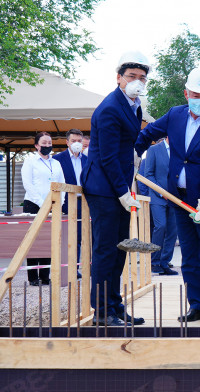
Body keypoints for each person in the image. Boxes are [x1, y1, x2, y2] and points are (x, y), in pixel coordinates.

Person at [135, 66, 200, 324]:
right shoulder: (175, 115)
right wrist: (134, 154)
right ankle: (196, 305)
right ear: (186, 93)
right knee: (189, 257)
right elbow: (148, 134)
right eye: (196, 95)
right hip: (180, 199)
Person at [80, 51, 148, 326]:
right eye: (131, 76)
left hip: (118, 185)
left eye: (142, 77)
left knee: (120, 248)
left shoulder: (134, 106)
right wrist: (123, 192)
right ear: (119, 77)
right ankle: (101, 311)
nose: (137, 81)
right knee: (106, 250)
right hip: (103, 187)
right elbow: (107, 157)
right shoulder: (110, 107)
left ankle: (114, 305)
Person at [21, 131, 65, 286]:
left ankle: (45, 276)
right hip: (33, 204)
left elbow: (62, 184)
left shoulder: (56, 163)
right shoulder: (30, 161)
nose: (47, 145)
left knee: (48, 240)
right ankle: (33, 277)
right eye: (44, 143)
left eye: (49, 143)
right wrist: (42, 203)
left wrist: (60, 202)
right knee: (33, 241)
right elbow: (28, 184)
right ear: (36, 145)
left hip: (53, 205)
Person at [53, 128, 87, 278]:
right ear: (67, 142)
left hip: (84, 202)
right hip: (66, 202)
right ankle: (69, 268)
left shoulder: (87, 160)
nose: (76, 143)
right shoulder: (57, 159)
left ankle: (80, 267)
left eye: (79, 141)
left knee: (83, 236)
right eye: (73, 141)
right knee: (69, 236)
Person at [143, 137, 179, 276]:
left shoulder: (179, 149)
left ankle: (165, 262)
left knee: (172, 231)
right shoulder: (154, 150)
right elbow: (148, 174)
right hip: (158, 197)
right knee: (161, 226)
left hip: (175, 197)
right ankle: (155, 261)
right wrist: (161, 192)